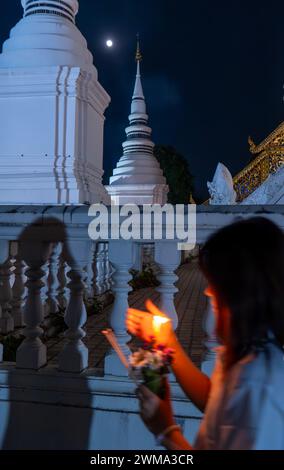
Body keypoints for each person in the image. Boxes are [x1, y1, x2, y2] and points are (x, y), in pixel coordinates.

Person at [126, 217, 284, 450]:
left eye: (216, 286)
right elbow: (216, 401)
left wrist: (166, 430)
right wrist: (169, 341)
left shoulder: (261, 388)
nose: (209, 293)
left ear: (242, 297)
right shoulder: (248, 352)